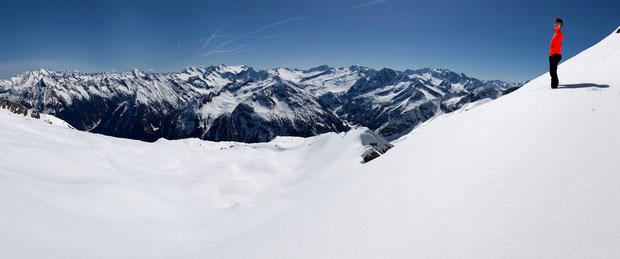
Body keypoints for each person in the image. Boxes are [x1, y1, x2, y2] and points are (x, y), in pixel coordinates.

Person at [549, 18, 563, 89]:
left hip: (556, 54)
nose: (556, 24)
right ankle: (555, 83)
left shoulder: (559, 34)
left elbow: (556, 45)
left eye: (558, 23)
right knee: (552, 70)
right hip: (552, 54)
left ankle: (554, 86)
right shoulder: (556, 33)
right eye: (555, 23)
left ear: (560, 25)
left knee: (552, 70)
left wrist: (552, 54)